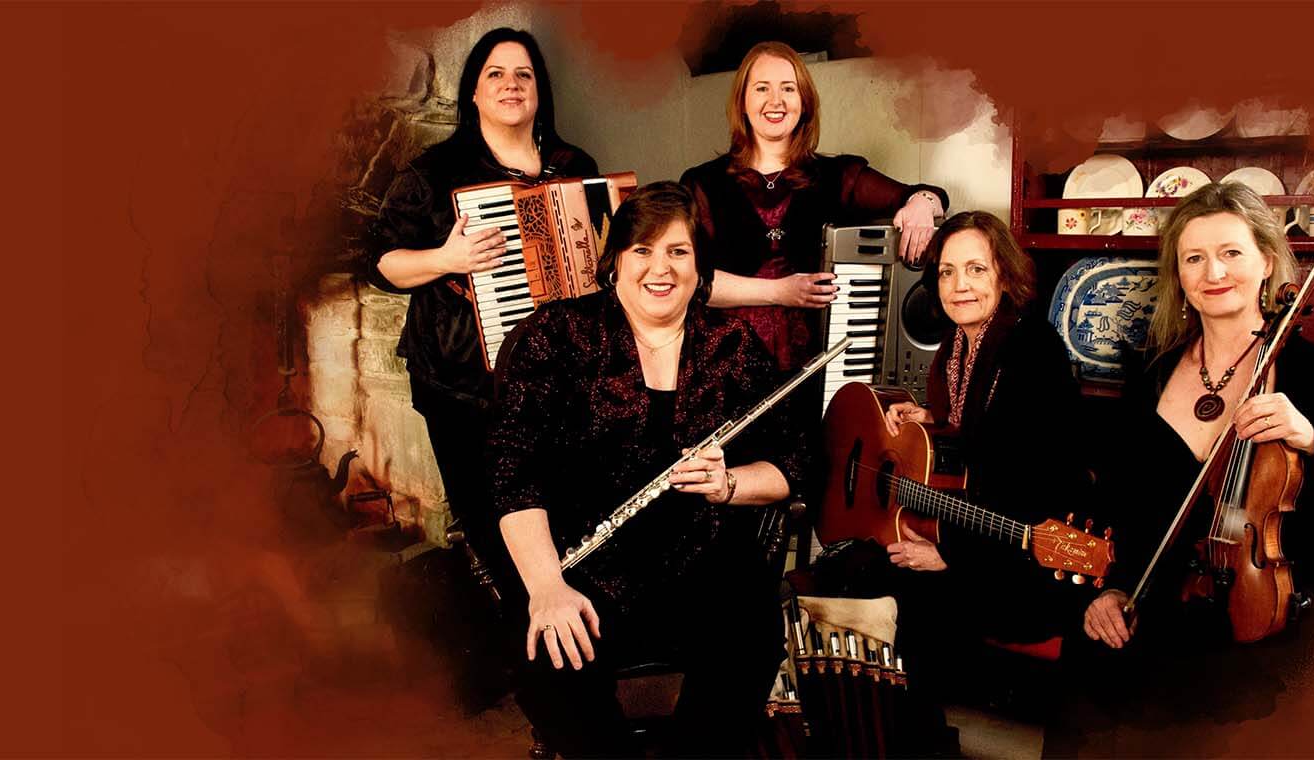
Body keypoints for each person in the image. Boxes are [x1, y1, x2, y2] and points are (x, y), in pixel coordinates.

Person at [1042, 182, 1314, 757]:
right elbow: (1116, 503)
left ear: (1266, 262)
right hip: (1155, 601)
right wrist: (1107, 589)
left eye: (1231, 253)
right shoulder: (1152, 373)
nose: (1213, 271)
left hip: (1265, 612)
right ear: (1178, 275)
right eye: (1194, 258)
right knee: (1091, 682)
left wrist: (1310, 437)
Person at [483, 182, 809, 758]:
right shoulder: (557, 336)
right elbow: (515, 473)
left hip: (701, 562)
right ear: (615, 263)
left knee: (751, 638)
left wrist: (731, 483)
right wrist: (546, 587)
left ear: (699, 267)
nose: (661, 268)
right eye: (643, 250)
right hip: (579, 563)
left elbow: (795, 461)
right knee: (548, 654)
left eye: (678, 252)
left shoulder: (730, 342)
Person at [359, 27, 602, 559]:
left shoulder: (575, 165)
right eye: (495, 73)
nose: (510, 85)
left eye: (523, 74)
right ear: (474, 91)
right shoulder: (434, 171)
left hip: (557, 381)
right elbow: (379, 263)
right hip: (462, 387)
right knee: (489, 525)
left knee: (557, 518)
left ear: (540, 91)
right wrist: (448, 259)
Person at [876, 212, 1094, 749]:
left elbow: (1031, 480)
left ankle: (921, 744)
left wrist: (947, 550)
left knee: (907, 590)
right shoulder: (956, 346)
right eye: (947, 272)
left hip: (1034, 556)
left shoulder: (1032, 348)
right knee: (867, 564)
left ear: (1004, 274)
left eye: (976, 269)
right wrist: (931, 420)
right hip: (985, 535)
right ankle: (901, 736)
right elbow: (980, 440)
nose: (959, 285)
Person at [679, 41, 949, 372]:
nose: (775, 101)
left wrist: (921, 204)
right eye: (762, 88)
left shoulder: (838, 176)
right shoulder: (703, 183)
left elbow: (927, 195)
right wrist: (779, 291)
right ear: (743, 103)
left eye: (788, 89)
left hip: (821, 367)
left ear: (804, 103)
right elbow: (691, 281)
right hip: (724, 369)